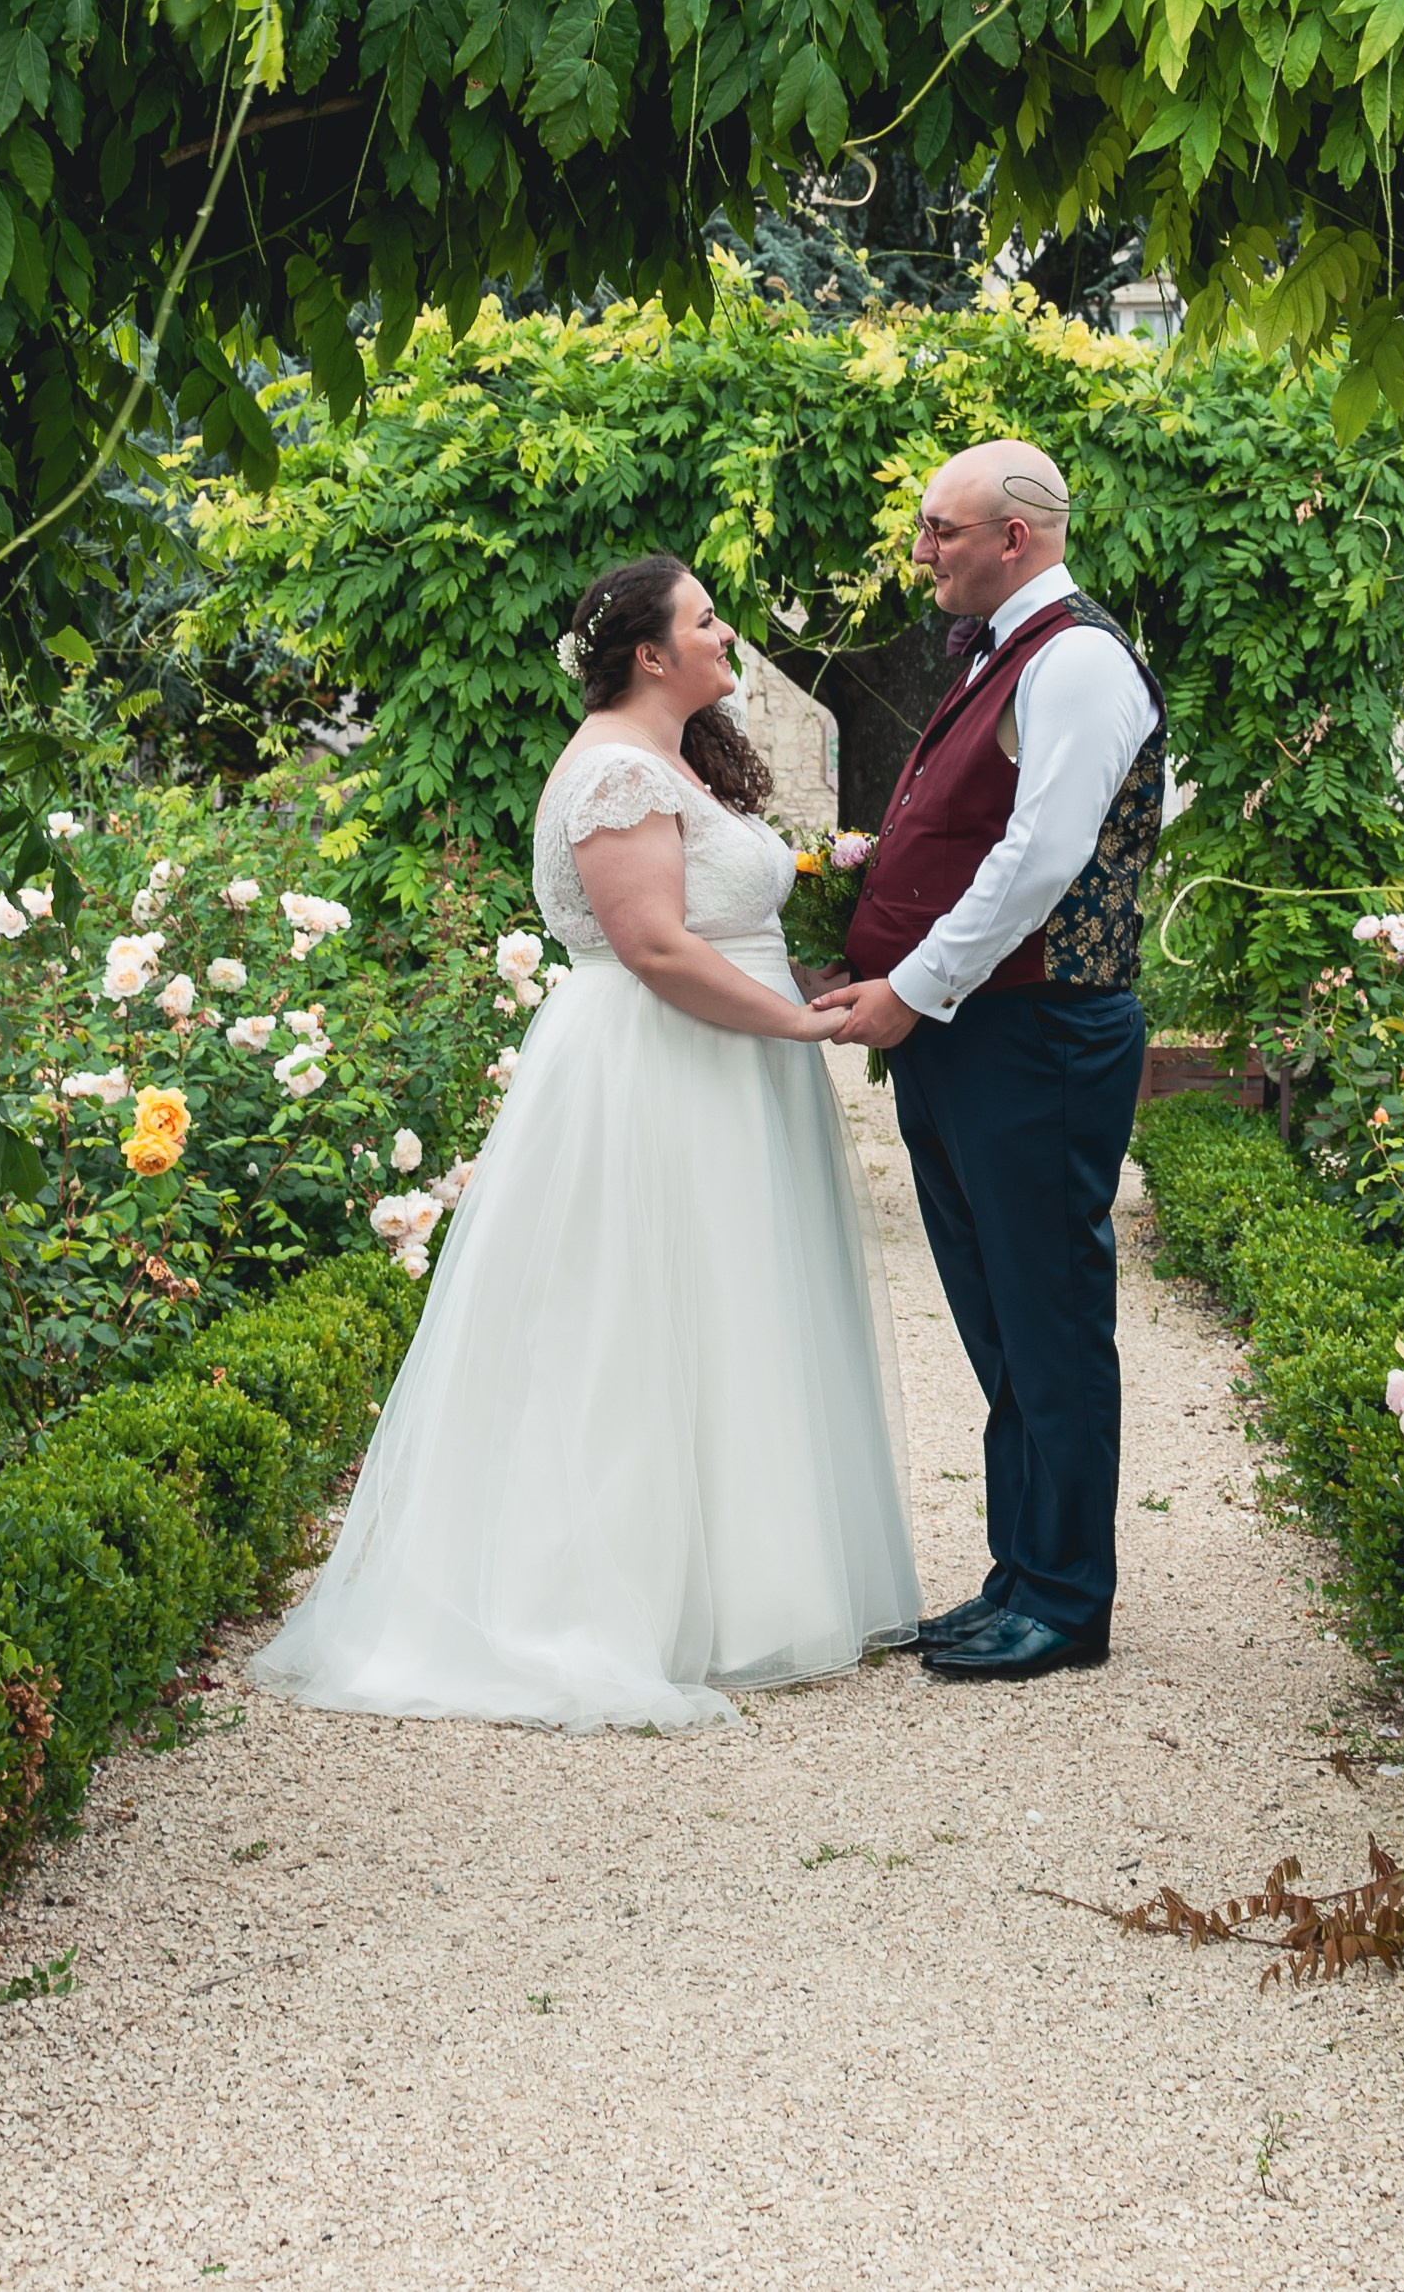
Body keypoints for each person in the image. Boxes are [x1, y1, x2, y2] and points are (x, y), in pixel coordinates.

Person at [250, 554, 918, 1732]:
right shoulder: (614, 769)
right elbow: (654, 949)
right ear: (651, 654)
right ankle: (618, 1601)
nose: (727, 637)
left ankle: (747, 1593)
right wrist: (797, 1023)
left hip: (725, 1061)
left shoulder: (672, 756)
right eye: (706, 622)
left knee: (731, 1312)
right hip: (658, 1068)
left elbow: (718, 917)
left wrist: (803, 984)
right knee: (636, 1321)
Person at [823, 440, 1165, 1683]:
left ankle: (1067, 1603)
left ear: (1012, 538)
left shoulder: (1074, 658)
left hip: (1040, 1034)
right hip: (983, 1036)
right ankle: (1020, 1572)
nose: (921, 553)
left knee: (1052, 1322)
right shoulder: (1005, 652)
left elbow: (1040, 860)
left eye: (938, 532)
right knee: (1002, 1325)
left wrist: (913, 989)